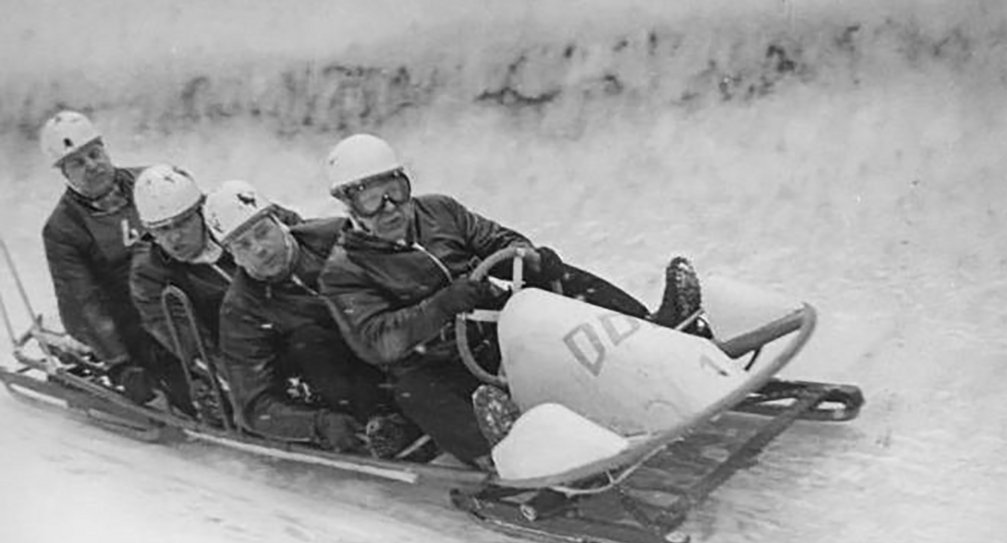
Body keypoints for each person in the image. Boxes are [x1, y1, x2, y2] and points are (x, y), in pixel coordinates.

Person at [318, 133, 710, 467]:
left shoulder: (441, 211)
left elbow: (497, 239)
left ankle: (658, 331)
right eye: (372, 199)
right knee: (413, 389)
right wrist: (441, 306)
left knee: (555, 276)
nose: (390, 208)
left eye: (395, 191)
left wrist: (529, 258)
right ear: (351, 208)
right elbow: (376, 341)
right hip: (439, 361)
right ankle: (503, 449)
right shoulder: (343, 270)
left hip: (498, 328)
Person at [205, 179, 428, 458]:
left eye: (262, 233)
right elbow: (253, 405)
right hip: (338, 381)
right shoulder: (241, 310)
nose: (259, 249)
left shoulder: (335, 235)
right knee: (309, 341)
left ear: (279, 222)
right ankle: (386, 425)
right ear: (233, 257)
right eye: (243, 246)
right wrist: (318, 424)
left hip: (394, 344)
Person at [37, 111, 192, 410]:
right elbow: (84, 302)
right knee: (184, 380)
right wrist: (122, 366)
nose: (92, 166)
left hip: (181, 293)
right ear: (64, 173)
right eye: (78, 163)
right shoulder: (63, 228)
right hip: (127, 317)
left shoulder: (151, 181)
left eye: (94, 154)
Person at [128, 164, 302, 367]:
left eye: (182, 223)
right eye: (162, 230)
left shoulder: (232, 211)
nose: (175, 237)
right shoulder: (149, 273)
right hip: (242, 349)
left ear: (200, 212)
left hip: (297, 315)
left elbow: (300, 236)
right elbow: (188, 342)